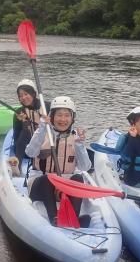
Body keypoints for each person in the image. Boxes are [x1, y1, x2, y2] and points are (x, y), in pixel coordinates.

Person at [24, 96, 91, 227]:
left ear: (72, 118)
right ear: (52, 116)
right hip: (41, 186)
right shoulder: (43, 133)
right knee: (47, 178)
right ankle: (54, 218)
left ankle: (74, 219)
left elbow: (85, 167)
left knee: (78, 178)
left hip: (64, 187)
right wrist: (42, 128)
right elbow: (30, 153)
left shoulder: (75, 138)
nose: (63, 119)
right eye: (59, 115)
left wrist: (79, 146)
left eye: (67, 115)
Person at [9, 79, 49, 170]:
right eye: (20, 96)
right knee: (24, 132)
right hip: (29, 149)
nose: (23, 98)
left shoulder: (47, 106)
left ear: (33, 94)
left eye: (26, 94)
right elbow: (16, 138)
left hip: (47, 146)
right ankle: (17, 168)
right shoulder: (19, 112)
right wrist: (24, 123)